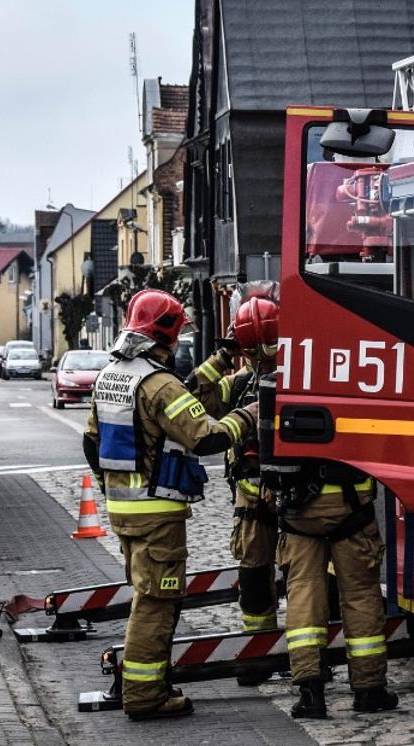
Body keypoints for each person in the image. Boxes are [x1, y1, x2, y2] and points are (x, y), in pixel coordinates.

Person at [82, 289, 256, 721]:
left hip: (125, 511)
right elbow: (204, 436)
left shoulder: (112, 374)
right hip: (157, 513)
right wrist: (248, 415)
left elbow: (91, 442)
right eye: (177, 334)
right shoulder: (159, 384)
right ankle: (144, 696)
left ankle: (154, 684)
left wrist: (222, 358)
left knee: (148, 598)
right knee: (157, 604)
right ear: (165, 336)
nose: (178, 342)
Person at [188, 293, 285, 685]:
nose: (263, 360)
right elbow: (193, 397)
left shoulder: (300, 378)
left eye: (269, 349)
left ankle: (309, 656)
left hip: (295, 495)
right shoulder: (238, 384)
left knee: (306, 579)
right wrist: (222, 357)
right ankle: (259, 655)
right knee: (255, 578)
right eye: (254, 351)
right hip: (251, 497)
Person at [275, 462, 398, 717]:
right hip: (351, 505)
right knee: (360, 594)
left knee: (304, 591)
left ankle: (311, 693)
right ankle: (369, 690)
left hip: (298, 508)